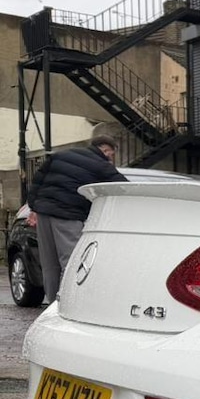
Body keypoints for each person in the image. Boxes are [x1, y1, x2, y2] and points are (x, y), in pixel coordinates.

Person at [28, 124, 128, 305]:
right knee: (71, 260)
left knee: (49, 263)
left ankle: (52, 304)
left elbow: (37, 180)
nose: (111, 159)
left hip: (44, 213)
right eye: (111, 155)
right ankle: (70, 304)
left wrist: (33, 206)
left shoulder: (60, 155)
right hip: (68, 215)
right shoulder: (102, 166)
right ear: (106, 150)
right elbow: (124, 188)